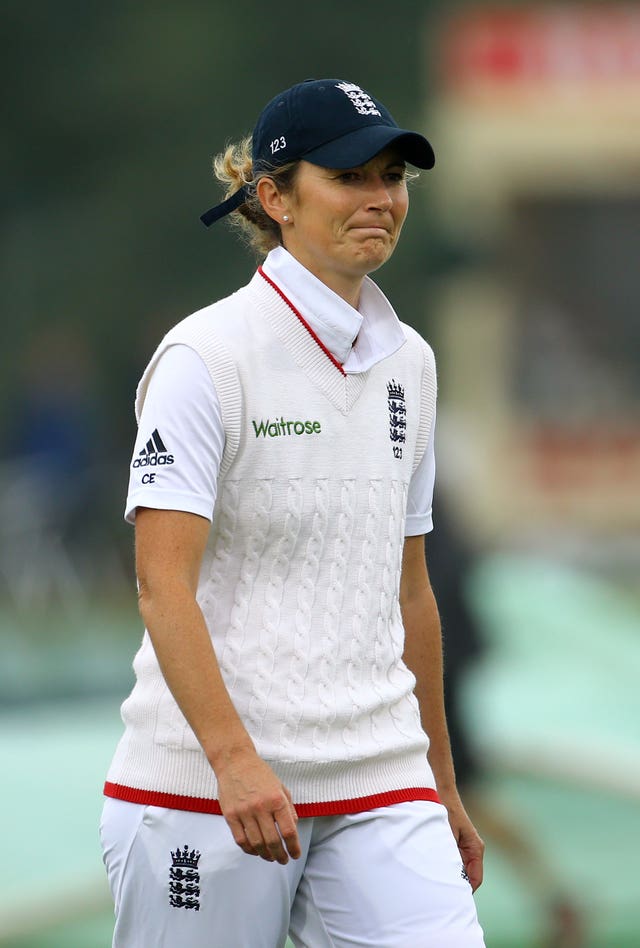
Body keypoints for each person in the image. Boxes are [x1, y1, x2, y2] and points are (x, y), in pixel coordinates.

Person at [100, 78, 486, 948]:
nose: (381, 199)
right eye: (350, 176)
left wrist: (441, 782)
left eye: (393, 176)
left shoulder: (411, 364)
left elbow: (409, 590)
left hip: (382, 784)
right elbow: (164, 585)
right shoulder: (205, 357)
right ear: (274, 197)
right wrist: (233, 762)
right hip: (204, 791)